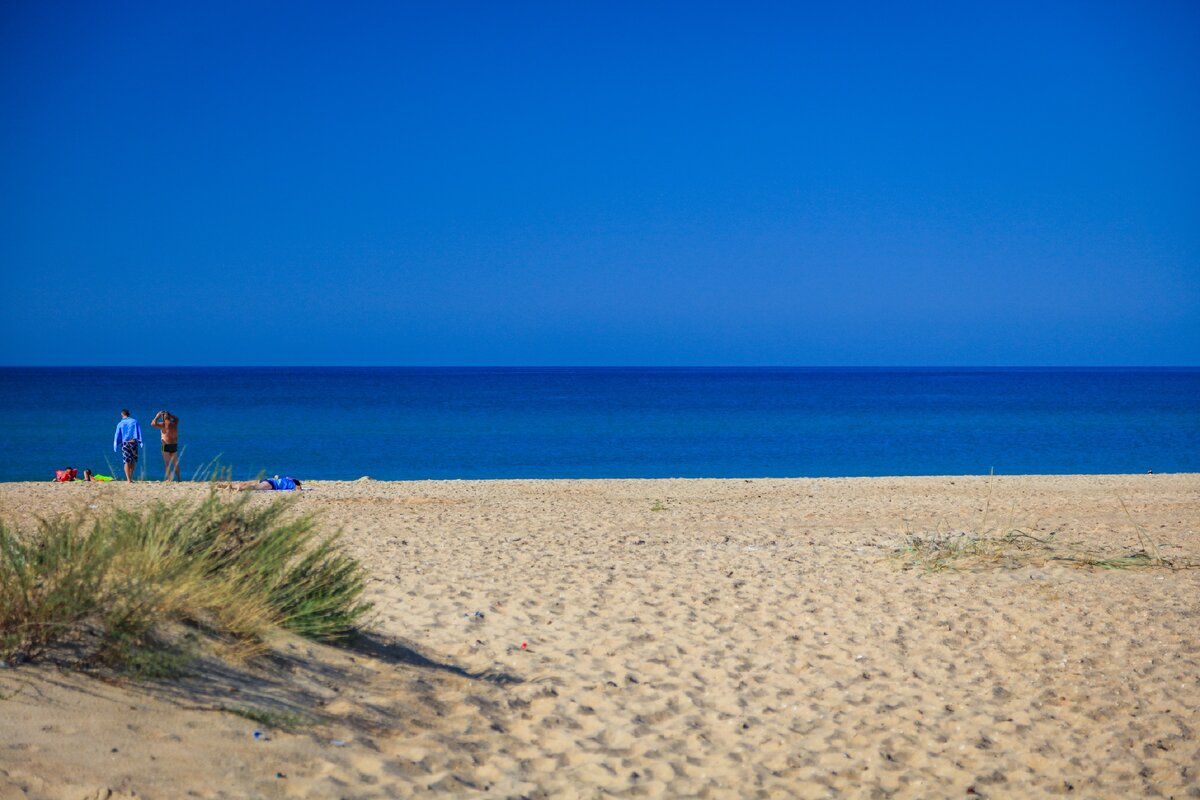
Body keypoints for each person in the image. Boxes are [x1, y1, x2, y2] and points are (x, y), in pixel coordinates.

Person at [113, 409, 142, 483]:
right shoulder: (135, 421)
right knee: (133, 460)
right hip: (133, 442)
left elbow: (117, 435)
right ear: (128, 414)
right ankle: (131, 477)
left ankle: (128, 479)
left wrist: (115, 445)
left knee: (126, 461)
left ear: (122, 415)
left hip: (125, 443)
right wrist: (140, 441)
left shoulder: (120, 423)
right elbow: (138, 431)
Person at [151, 410, 181, 481]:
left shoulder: (163, 424)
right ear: (169, 416)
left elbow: (152, 424)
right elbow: (177, 418)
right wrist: (170, 415)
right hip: (174, 444)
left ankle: (169, 479)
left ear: (163, 417)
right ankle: (179, 479)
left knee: (167, 463)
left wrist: (157, 416)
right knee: (175, 463)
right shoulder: (174, 423)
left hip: (166, 445)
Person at [226, 475, 303, 491]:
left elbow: (286, 476)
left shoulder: (287, 479)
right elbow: (298, 489)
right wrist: (298, 484)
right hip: (272, 485)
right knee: (255, 487)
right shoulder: (295, 485)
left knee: (252, 484)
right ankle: (240, 488)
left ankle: (232, 486)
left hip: (269, 480)